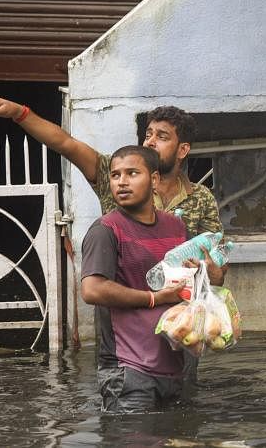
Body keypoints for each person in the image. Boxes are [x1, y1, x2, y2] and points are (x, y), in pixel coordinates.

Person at [80, 145, 224, 412]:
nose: (122, 182)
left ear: (155, 180)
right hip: (129, 372)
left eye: (132, 173)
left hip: (179, 366)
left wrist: (210, 275)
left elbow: (186, 283)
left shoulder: (175, 226)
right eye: (115, 175)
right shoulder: (105, 230)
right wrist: (154, 298)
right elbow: (92, 290)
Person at [0, 90, 222, 234]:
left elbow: (217, 264)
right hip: (122, 304)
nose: (150, 142)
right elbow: (66, 143)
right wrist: (19, 113)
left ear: (183, 150)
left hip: (178, 312)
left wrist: (208, 267)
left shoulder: (200, 198)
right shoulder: (114, 175)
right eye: (148, 135)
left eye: (162, 137)